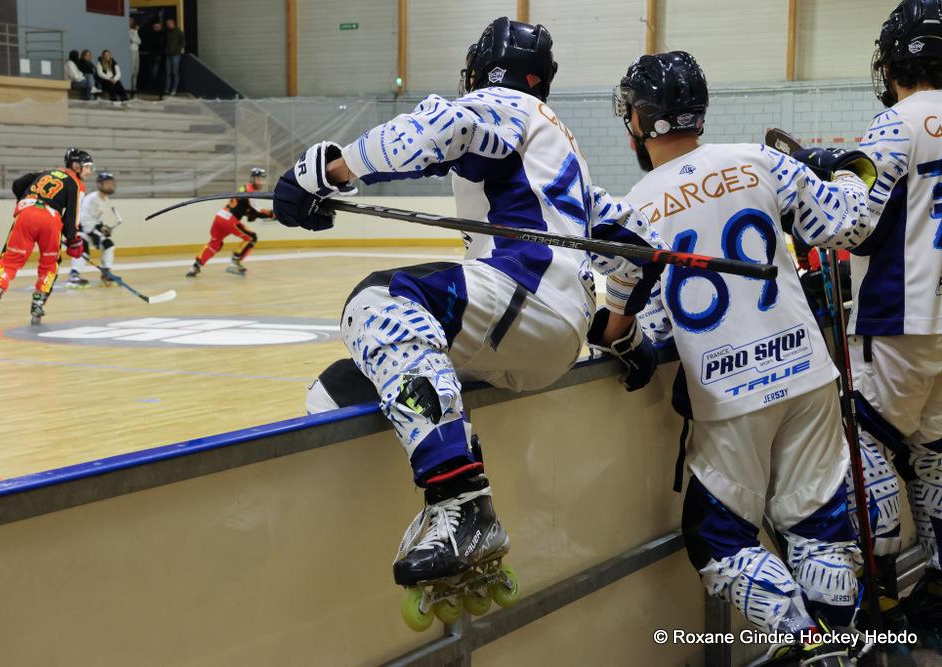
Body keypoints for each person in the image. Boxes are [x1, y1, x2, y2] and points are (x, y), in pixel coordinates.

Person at [274, 17, 660, 629]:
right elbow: (641, 244)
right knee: (341, 386)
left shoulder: (501, 104)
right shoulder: (562, 153)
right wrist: (622, 330)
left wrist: (328, 170)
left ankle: (460, 500)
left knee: (376, 303)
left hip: (521, 291)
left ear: (480, 70)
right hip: (542, 334)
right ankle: (440, 503)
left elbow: (449, 129)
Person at [594, 52, 878, 664]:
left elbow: (631, 327)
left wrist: (620, 339)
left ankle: (811, 645)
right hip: (806, 373)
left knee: (717, 537)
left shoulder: (633, 207)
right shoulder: (759, 159)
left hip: (729, 396)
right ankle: (844, 647)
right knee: (817, 522)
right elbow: (847, 223)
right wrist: (853, 169)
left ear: (640, 121)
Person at [831, 0, 942, 643]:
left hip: (900, 317)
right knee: (934, 458)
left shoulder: (894, 125)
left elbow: (854, 227)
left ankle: (880, 610)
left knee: (867, 452)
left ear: (893, 61)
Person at [0, 149, 93, 326]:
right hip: (50, 220)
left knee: (9, 262)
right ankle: (38, 302)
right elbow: (73, 216)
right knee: (50, 265)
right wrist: (73, 240)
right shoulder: (77, 185)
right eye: (87, 167)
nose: (89, 171)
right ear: (76, 166)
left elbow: (18, 184)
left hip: (26, 214)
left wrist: (27, 200)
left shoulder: (45, 172)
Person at [186, 168, 272, 277]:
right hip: (229, 220)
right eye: (258, 179)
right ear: (252, 179)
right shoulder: (250, 192)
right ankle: (235, 262)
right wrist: (273, 214)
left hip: (220, 217)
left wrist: (250, 213)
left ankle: (195, 266)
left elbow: (244, 208)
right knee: (251, 237)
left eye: (262, 180)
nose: (261, 182)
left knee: (214, 244)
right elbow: (257, 211)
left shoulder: (243, 188)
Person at [68, 171, 119, 288]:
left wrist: (102, 228)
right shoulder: (92, 198)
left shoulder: (104, 199)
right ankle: (73, 275)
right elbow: (83, 219)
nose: (111, 185)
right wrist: (94, 233)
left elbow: (96, 219)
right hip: (81, 230)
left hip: (91, 230)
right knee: (82, 249)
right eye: (107, 183)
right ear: (100, 184)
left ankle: (106, 273)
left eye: (112, 183)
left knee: (109, 245)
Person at [144, 21, 166, 96]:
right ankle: (152, 88)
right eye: (155, 27)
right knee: (151, 73)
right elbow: (147, 42)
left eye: (158, 27)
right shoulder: (150, 34)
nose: (156, 28)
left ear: (160, 27)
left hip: (158, 56)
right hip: (151, 56)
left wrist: (153, 43)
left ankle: (155, 89)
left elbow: (159, 43)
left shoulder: (162, 34)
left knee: (155, 73)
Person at [164, 18, 184, 96]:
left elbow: (183, 41)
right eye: (167, 24)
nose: (168, 25)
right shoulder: (167, 32)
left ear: (173, 23)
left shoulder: (178, 31)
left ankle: (174, 89)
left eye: (169, 24)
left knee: (175, 72)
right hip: (168, 55)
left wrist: (178, 49)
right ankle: (167, 89)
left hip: (176, 55)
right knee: (168, 73)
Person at [129, 17, 141, 94]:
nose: (131, 22)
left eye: (132, 20)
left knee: (136, 70)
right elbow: (133, 39)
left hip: (136, 51)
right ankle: (130, 88)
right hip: (131, 51)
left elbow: (139, 41)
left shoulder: (133, 30)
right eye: (130, 20)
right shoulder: (128, 31)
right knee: (132, 70)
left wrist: (135, 32)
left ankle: (134, 87)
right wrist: (136, 31)